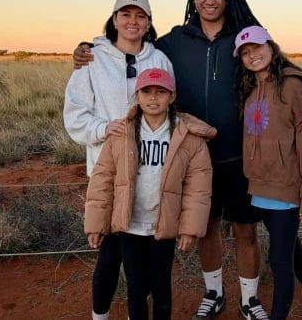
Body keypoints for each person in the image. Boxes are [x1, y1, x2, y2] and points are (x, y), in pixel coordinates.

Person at [73, 0, 302, 320]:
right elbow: (133, 48)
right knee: (205, 229)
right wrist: (90, 48)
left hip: (240, 156)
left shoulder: (241, 38)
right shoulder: (175, 41)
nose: (210, 0)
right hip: (194, 156)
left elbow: (280, 72)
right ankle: (214, 293)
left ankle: (249, 300)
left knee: (245, 229)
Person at [64, 0, 175, 320]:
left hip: (150, 174)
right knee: (110, 254)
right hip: (107, 170)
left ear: (149, 23)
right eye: (125, 15)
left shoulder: (159, 61)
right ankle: (100, 316)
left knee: (143, 257)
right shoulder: (92, 60)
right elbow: (75, 114)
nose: (132, 21)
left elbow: (171, 108)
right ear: (114, 20)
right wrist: (103, 128)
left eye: (140, 16)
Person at [84, 67, 214, 319]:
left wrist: (189, 227)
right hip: (130, 225)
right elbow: (103, 179)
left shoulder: (188, 137)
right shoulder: (121, 134)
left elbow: (198, 188)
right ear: (137, 96)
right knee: (136, 287)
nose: (153, 98)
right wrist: (96, 223)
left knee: (161, 286)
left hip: (162, 225)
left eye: (161, 92)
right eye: (146, 91)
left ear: (172, 96)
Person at [234, 26, 302, 320]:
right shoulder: (249, 88)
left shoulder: (291, 86)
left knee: (279, 261)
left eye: (256, 48)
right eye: (245, 52)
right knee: (291, 252)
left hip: (286, 188)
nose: (252, 55)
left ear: (271, 47)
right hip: (259, 188)